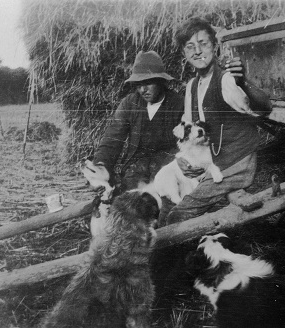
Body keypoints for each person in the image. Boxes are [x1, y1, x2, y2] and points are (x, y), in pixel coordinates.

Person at [163, 17, 272, 225]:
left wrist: (243, 83)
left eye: (203, 44)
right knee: (167, 202)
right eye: (190, 47)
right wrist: (182, 160)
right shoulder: (192, 86)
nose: (197, 51)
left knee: (179, 214)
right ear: (184, 54)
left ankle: (183, 254)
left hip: (236, 162)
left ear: (214, 46)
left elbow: (263, 108)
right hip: (211, 161)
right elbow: (188, 130)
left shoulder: (226, 80)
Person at [92, 50, 247, 194]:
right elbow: (111, 140)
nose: (143, 89)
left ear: (161, 81)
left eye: (148, 82)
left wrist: (184, 163)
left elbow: (191, 142)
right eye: (138, 84)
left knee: (166, 202)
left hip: (167, 167)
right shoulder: (129, 104)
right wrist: (100, 166)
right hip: (135, 168)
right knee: (129, 203)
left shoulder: (179, 104)